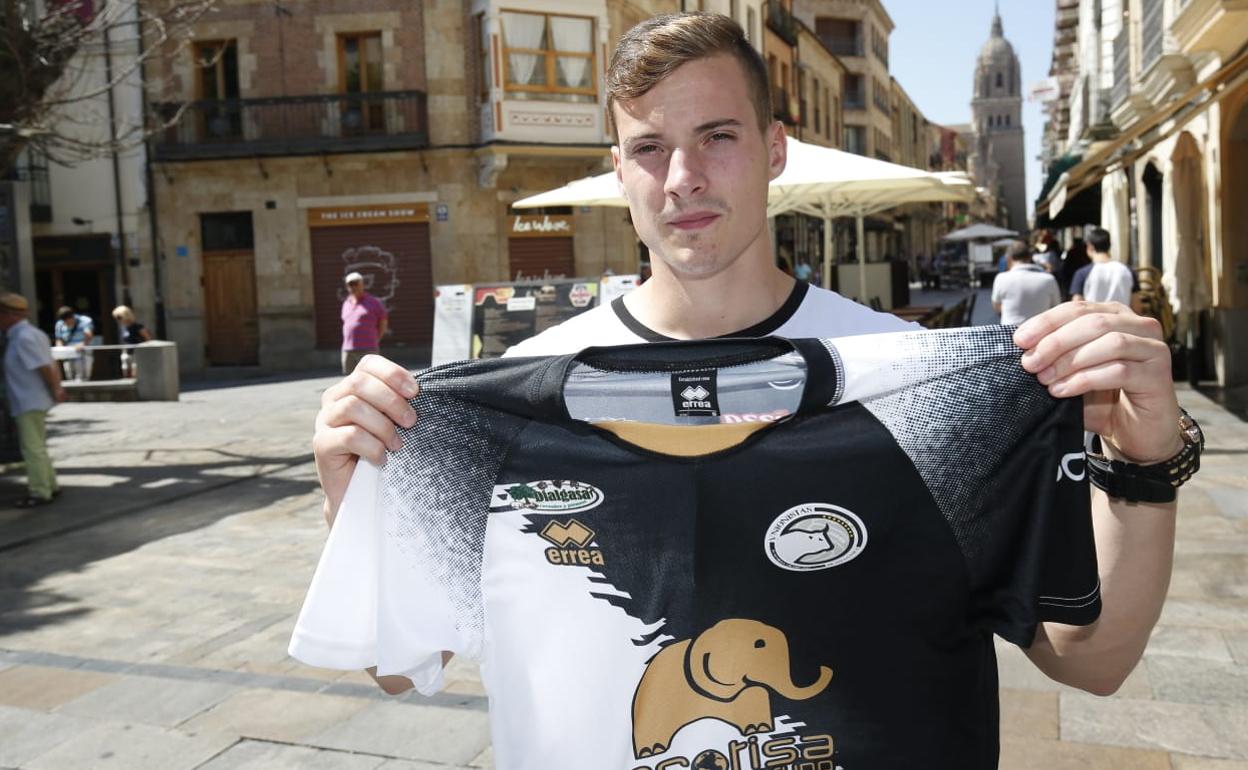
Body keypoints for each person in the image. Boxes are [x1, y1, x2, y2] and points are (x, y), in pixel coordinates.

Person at [310, 11, 1186, 764]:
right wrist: (352, 494)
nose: (682, 177)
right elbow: (402, 664)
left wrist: (1145, 468)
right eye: (649, 147)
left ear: (774, 150)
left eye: (716, 137)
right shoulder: (493, 415)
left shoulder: (932, 393)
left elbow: (1092, 660)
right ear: (619, 169)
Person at [1, 293, 65, 507]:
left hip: (28, 399)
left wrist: (55, 388)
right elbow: (50, 364)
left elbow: (43, 367)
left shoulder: (22, 338)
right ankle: (49, 485)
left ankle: (39, 491)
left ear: (10, 315)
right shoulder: (33, 334)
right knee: (38, 446)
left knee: (32, 448)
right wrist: (55, 389)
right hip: (33, 398)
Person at [991, 240, 1062, 325]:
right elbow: (1056, 307)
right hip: (1041, 331)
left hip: (1010, 332)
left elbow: (997, 307)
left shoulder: (1001, 278)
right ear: (1029, 257)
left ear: (1009, 259)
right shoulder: (1049, 279)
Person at [1071, 227, 1137, 307]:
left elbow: (1077, 306)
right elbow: (1137, 307)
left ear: (1090, 246)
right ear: (1109, 245)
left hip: (1092, 318)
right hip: (1123, 319)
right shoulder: (1128, 270)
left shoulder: (1082, 274)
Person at [339, 271, 388, 375]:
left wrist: (377, 338)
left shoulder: (373, 302)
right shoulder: (346, 303)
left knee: (371, 376)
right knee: (349, 379)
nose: (353, 287)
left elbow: (383, 321)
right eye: (350, 285)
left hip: (368, 348)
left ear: (362, 284)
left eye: (356, 284)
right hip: (348, 349)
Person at [53, 306, 97, 381]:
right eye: (64, 322)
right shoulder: (59, 324)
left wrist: (82, 344)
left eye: (68, 321)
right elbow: (59, 339)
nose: (66, 323)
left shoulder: (85, 321)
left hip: (83, 353)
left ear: (72, 316)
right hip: (68, 353)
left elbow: (89, 336)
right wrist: (59, 348)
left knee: (82, 377)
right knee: (69, 375)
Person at [112, 305, 152, 377]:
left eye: (119, 318)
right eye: (117, 318)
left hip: (137, 353)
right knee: (125, 370)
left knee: (135, 371)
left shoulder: (138, 327)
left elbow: (148, 338)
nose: (118, 320)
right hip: (127, 353)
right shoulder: (124, 328)